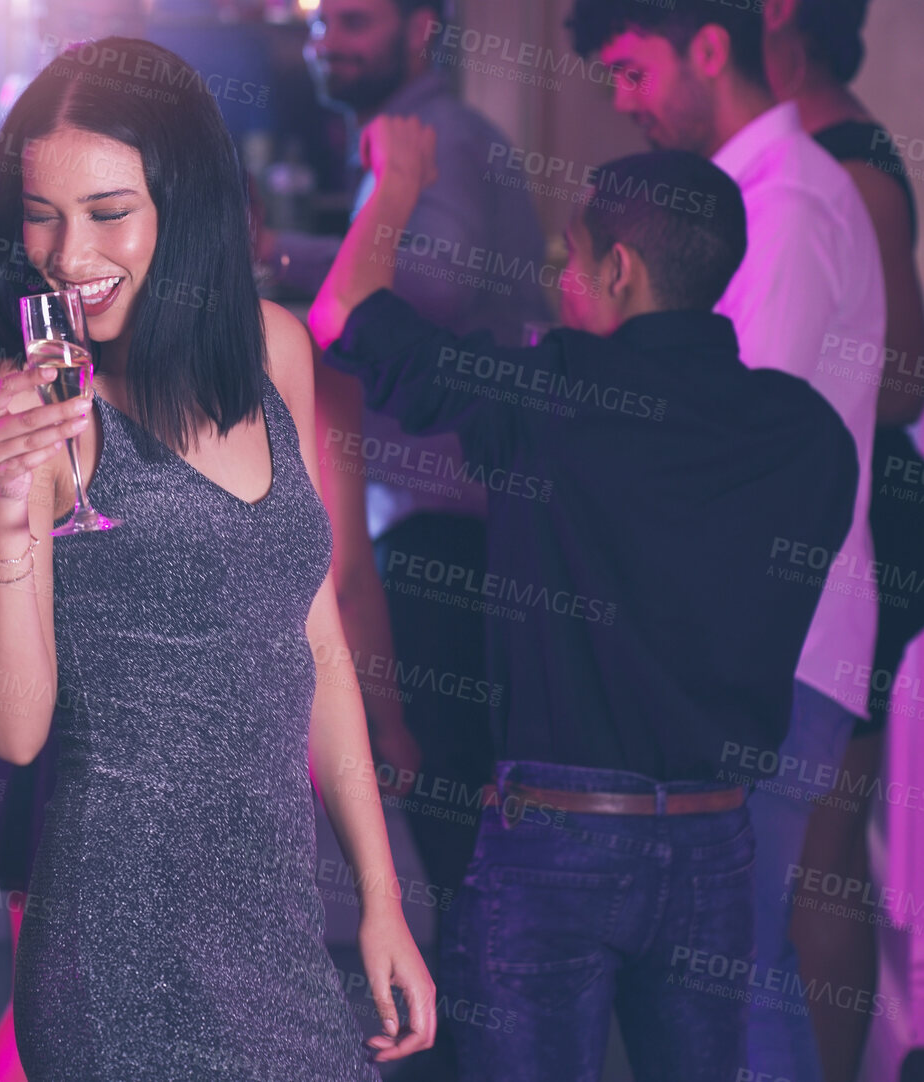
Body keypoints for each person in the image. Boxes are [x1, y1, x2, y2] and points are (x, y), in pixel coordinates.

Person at [313, 116, 858, 1082]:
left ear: (619, 271)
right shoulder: (809, 435)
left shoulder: (551, 393)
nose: (558, 281)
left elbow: (342, 312)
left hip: (556, 845)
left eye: (570, 258)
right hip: (718, 844)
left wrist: (400, 173)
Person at [0, 37, 434, 1081]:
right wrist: (4, 507)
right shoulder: (12, 407)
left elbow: (312, 640)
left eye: (108, 211)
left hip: (276, 931)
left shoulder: (275, 352)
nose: (68, 254)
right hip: (113, 937)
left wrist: (381, 899)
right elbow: (12, 725)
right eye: (43, 213)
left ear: (187, 203)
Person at [569, 3, 886, 1079]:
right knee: (727, 975)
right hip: (766, 638)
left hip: (774, 642)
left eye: (630, 69)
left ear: (709, 46)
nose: (621, 102)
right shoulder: (755, 195)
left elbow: (732, 445)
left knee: (734, 979)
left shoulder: (788, 202)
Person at [284, 10, 553, 1075]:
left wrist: (294, 251)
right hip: (417, 525)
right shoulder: (409, 133)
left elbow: (399, 300)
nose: (323, 40)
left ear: (422, 26)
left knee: (439, 827)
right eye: (316, 21)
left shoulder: (436, 138)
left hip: (446, 532)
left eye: (352, 19)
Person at [763, 2, 924, 1074]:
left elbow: (902, 371)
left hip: (867, 514)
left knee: (822, 852)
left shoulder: (842, 161)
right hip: (841, 510)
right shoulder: (810, 147)